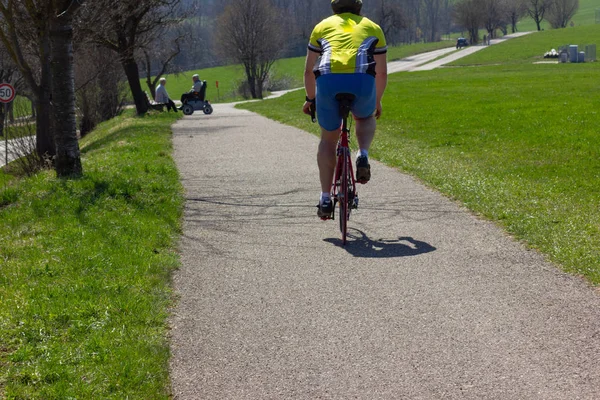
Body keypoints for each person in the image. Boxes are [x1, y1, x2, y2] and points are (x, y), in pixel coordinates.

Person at [302, 0, 388, 219]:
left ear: (334, 8)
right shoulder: (372, 27)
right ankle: (363, 155)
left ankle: (324, 199)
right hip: (361, 81)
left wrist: (310, 99)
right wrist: (375, 100)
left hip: (329, 81)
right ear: (359, 7)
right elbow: (382, 73)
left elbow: (308, 72)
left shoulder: (321, 27)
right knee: (365, 116)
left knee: (328, 140)